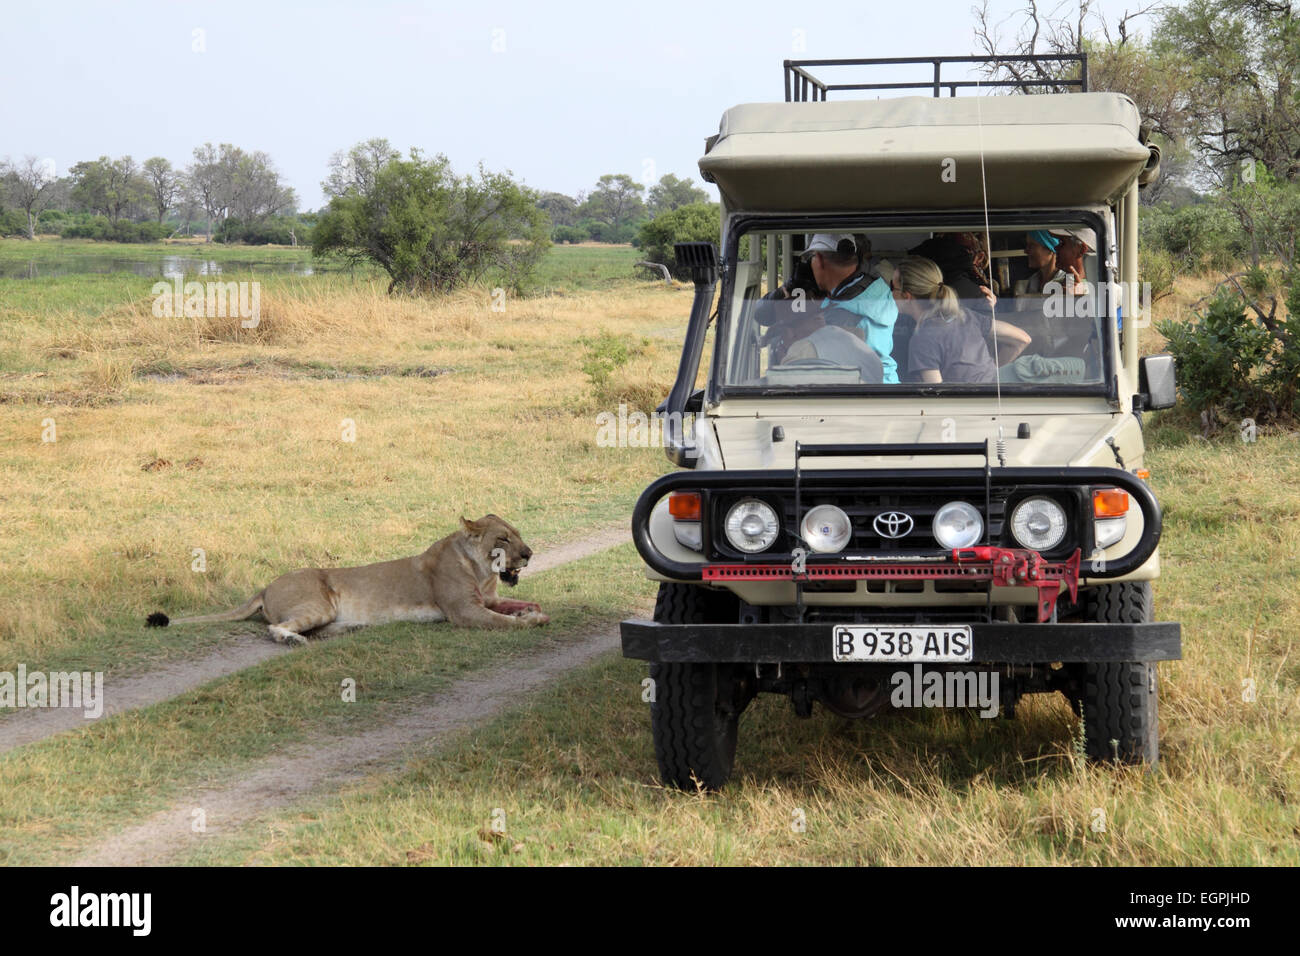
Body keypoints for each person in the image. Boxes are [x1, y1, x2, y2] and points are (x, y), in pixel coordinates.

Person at [891, 256, 1011, 384]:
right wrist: (991, 373)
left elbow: (938, 394)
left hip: (966, 402)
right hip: (989, 397)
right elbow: (1022, 339)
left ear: (907, 296)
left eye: (892, 286)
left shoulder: (922, 337)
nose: (890, 293)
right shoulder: (966, 315)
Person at [802, 233, 900, 383]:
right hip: (887, 385)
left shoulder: (840, 315)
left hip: (863, 393)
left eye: (811, 258)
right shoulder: (876, 286)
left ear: (820, 260)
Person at [763, 304, 884, 384]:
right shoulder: (855, 342)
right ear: (820, 317)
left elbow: (782, 395)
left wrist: (783, 363)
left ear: (788, 332)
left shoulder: (802, 350)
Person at [1018, 229, 1071, 295]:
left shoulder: (1068, 281)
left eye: (1032, 245)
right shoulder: (1033, 281)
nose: (1026, 251)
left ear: (1050, 249)